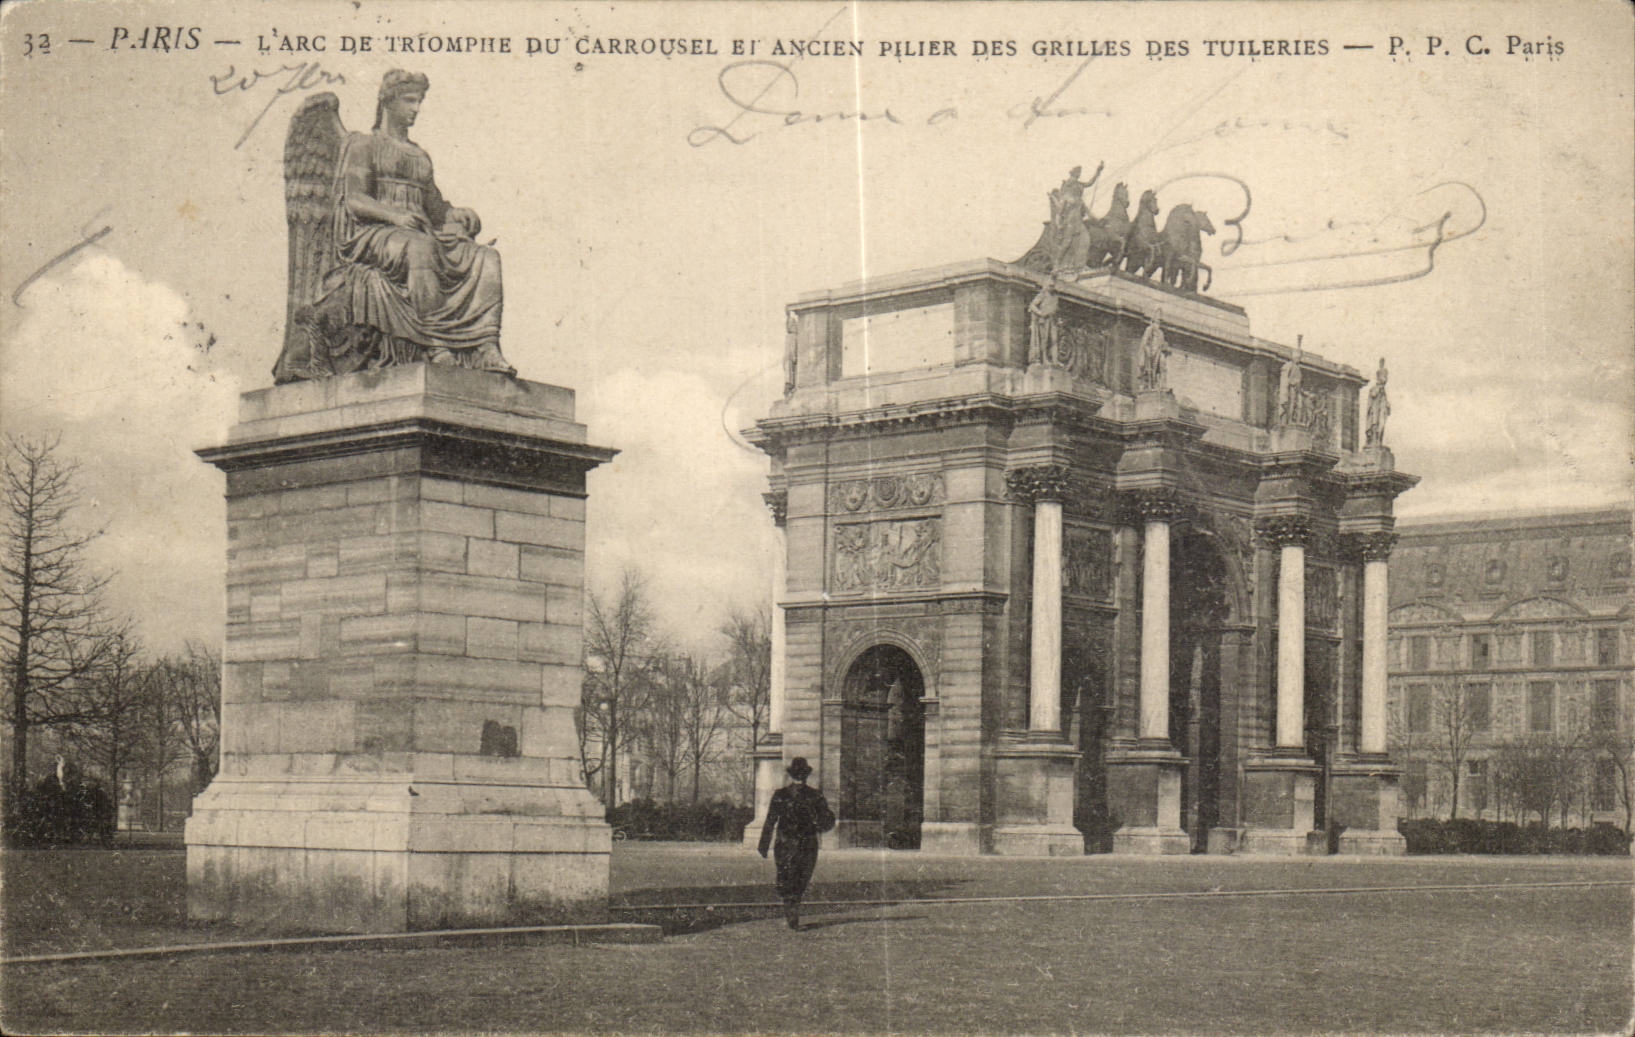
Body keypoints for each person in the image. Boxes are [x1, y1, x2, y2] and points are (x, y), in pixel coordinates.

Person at [324, 70, 513, 374]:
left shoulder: (419, 155)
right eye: (409, 100)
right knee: (421, 249)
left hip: (419, 231)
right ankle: (435, 344)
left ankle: (486, 346)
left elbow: (436, 209)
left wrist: (458, 214)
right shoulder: (363, 145)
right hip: (375, 233)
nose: (416, 108)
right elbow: (355, 200)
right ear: (388, 101)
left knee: (486, 257)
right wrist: (394, 215)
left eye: (419, 101)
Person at [757, 757, 834, 930]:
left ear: (791, 775)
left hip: (784, 844)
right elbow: (828, 820)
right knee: (801, 878)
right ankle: (793, 912)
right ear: (806, 776)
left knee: (786, 876)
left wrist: (763, 845)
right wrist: (818, 826)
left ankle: (790, 911)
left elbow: (770, 821)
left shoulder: (780, 795)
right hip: (807, 844)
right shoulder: (815, 795)